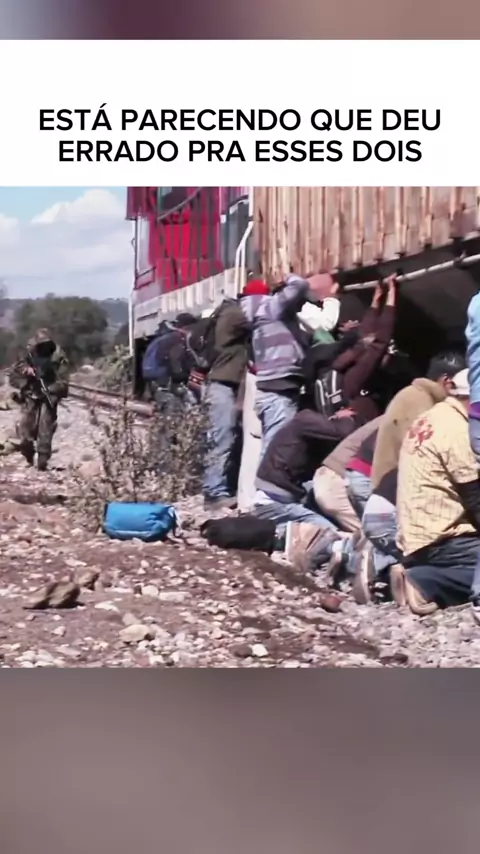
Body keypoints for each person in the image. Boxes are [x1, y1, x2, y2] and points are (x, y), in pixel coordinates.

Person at [396, 369, 480, 615]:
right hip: (444, 538)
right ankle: (428, 582)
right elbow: (475, 497)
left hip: (418, 534)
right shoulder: (458, 430)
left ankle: (421, 577)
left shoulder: (435, 415)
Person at [241, 273, 336, 455]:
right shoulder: (270, 308)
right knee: (276, 448)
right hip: (278, 389)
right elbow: (299, 285)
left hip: (272, 387)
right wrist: (286, 276)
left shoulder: (261, 315)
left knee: (272, 445)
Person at [370, 351, 466, 490]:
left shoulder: (424, 397)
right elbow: (421, 453)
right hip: (391, 490)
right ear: (447, 382)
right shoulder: (417, 400)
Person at [202, 283, 260, 509]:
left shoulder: (228, 312)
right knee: (222, 437)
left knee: (226, 437)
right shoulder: (236, 314)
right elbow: (264, 318)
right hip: (222, 385)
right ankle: (214, 492)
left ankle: (220, 487)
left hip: (225, 384)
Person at [8, 329, 69, 471]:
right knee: (26, 428)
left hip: (49, 394)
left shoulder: (58, 356)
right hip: (31, 392)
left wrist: (52, 389)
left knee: (45, 427)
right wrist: (27, 370)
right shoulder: (29, 352)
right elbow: (16, 368)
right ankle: (28, 455)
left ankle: (43, 459)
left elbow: (63, 380)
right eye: (41, 345)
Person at [313, 417, 382, 532]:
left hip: (328, 478)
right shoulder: (396, 421)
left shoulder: (387, 419)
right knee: (376, 533)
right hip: (340, 482)